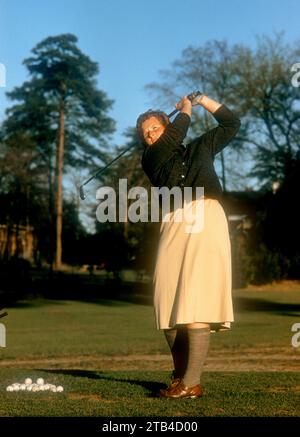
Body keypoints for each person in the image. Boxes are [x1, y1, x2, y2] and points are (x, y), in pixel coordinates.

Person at [136, 93, 241, 399]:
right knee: (167, 303)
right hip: (173, 221)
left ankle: (190, 382)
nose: (150, 134)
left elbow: (232, 123)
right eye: (146, 133)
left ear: (165, 126)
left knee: (195, 299)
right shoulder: (151, 158)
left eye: (154, 128)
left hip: (206, 216)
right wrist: (185, 111)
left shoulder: (201, 147)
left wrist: (203, 101)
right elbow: (173, 138)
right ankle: (181, 376)